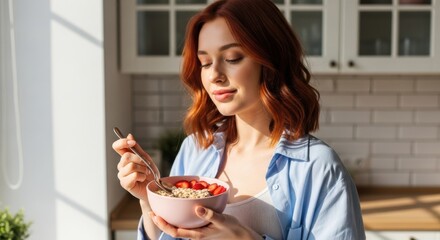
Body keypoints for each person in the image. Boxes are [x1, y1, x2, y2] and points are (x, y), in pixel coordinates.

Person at [112, 0, 366, 239]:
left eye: (232, 58)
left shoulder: (317, 167)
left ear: (270, 61)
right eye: (205, 62)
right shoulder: (195, 149)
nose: (215, 75)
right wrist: (149, 199)